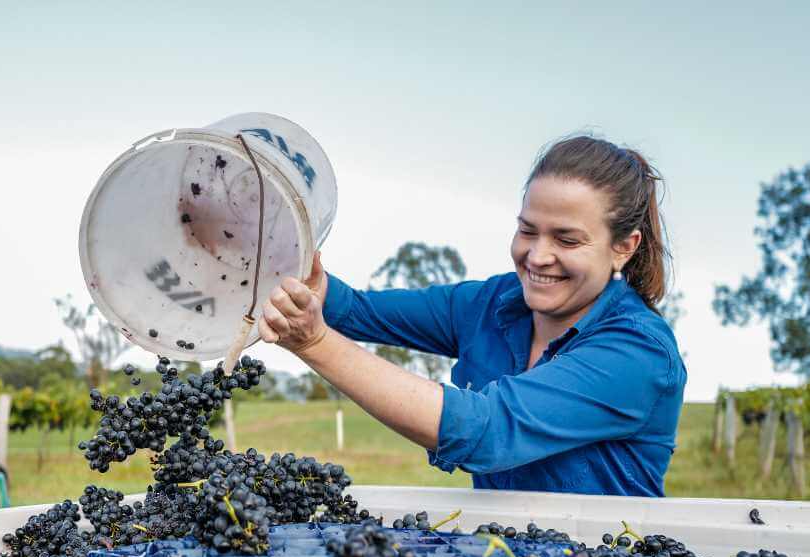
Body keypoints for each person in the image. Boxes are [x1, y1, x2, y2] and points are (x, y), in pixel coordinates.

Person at [256, 136, 687, 496]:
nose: (537, 256)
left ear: (624, 247)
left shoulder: (638, 351)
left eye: (568, 240)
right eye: (527, 230)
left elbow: (487, 432)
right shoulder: (493, 302)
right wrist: (297, 276)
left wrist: (314, 343)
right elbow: (354, 309)